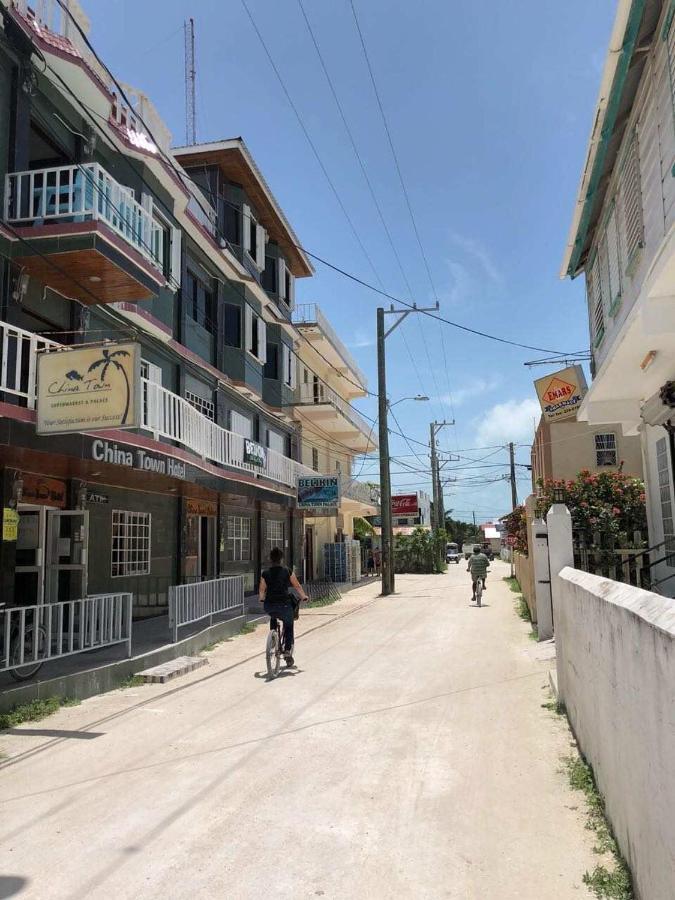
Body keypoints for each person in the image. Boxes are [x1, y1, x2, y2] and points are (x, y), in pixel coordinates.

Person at [259, 547, 309, 666]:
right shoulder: (287, 571)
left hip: (269, 605)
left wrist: (261, 598)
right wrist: (303, 596)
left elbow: (262, 589)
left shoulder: (265, 573)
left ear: (271, 559)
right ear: (281, 559)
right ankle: (287, 650)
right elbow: (296, 586)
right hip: (284, 605)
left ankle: (272, 638)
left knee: (273, 615)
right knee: (289, 624)